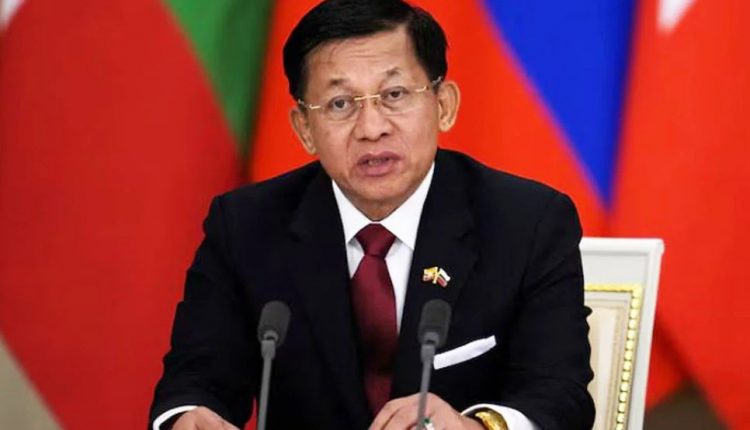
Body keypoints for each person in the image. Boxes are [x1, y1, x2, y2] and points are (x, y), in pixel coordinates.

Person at [149, 1, 595, 429]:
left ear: (444, 104)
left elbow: (559, 391)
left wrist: (476, 426)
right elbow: (197, 379)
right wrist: (189, 416)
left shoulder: (528, 222)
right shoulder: (246, 226)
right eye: (340, 104)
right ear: (304, 129)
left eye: (394, 94)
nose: (371, 128)